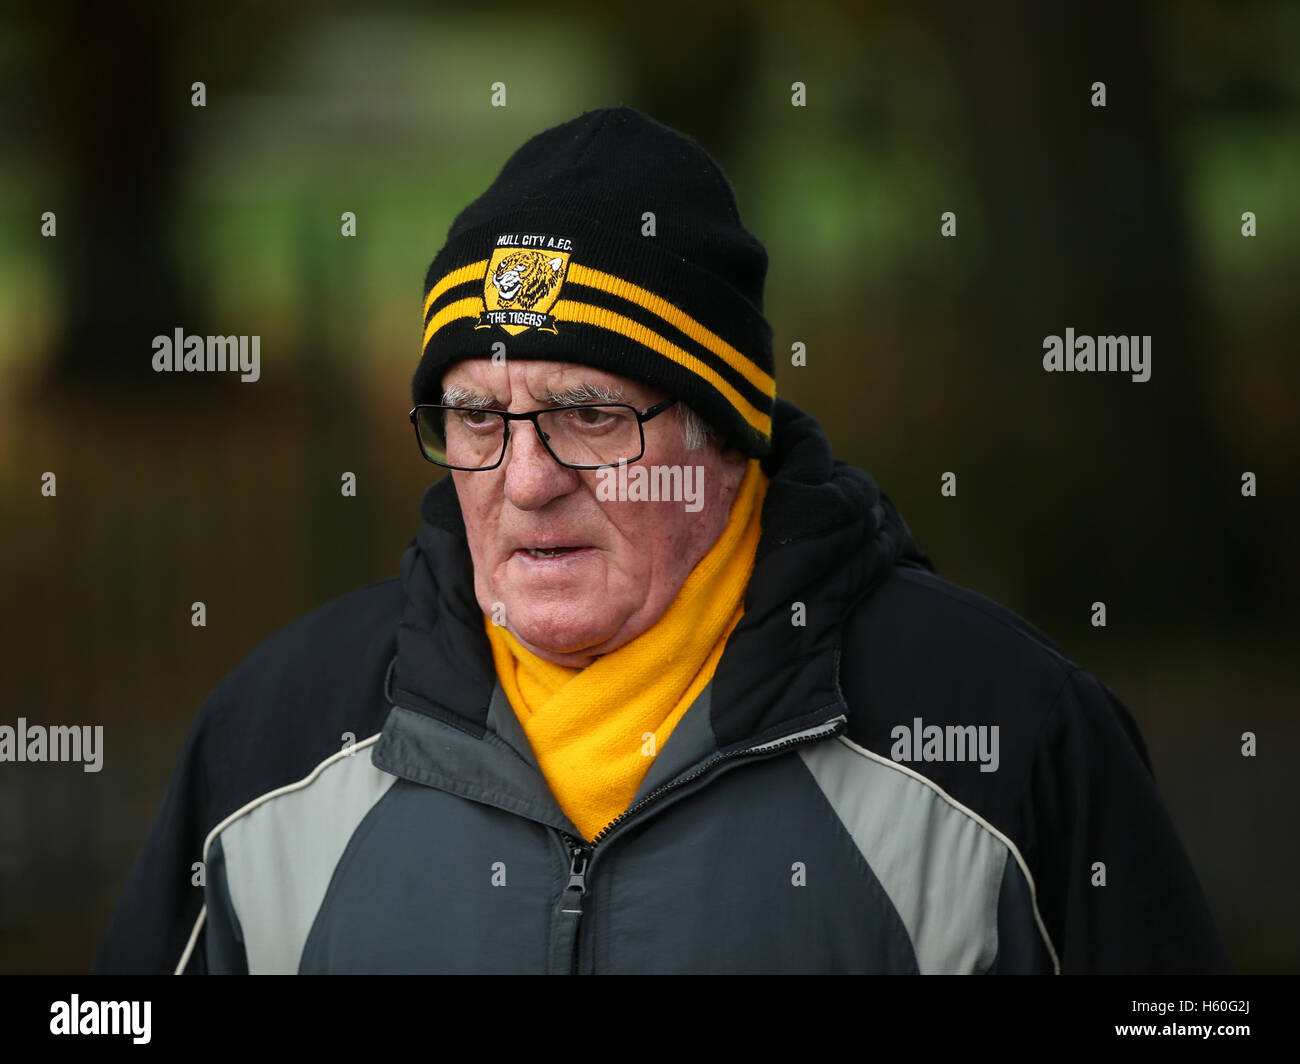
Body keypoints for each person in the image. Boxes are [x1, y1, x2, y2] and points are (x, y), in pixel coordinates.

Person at [94, 105, 1230, 974]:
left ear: (725, 435)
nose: (525, 480)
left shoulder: (1003, 738)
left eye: (590, 415)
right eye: (479, 418)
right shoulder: (272, 748)